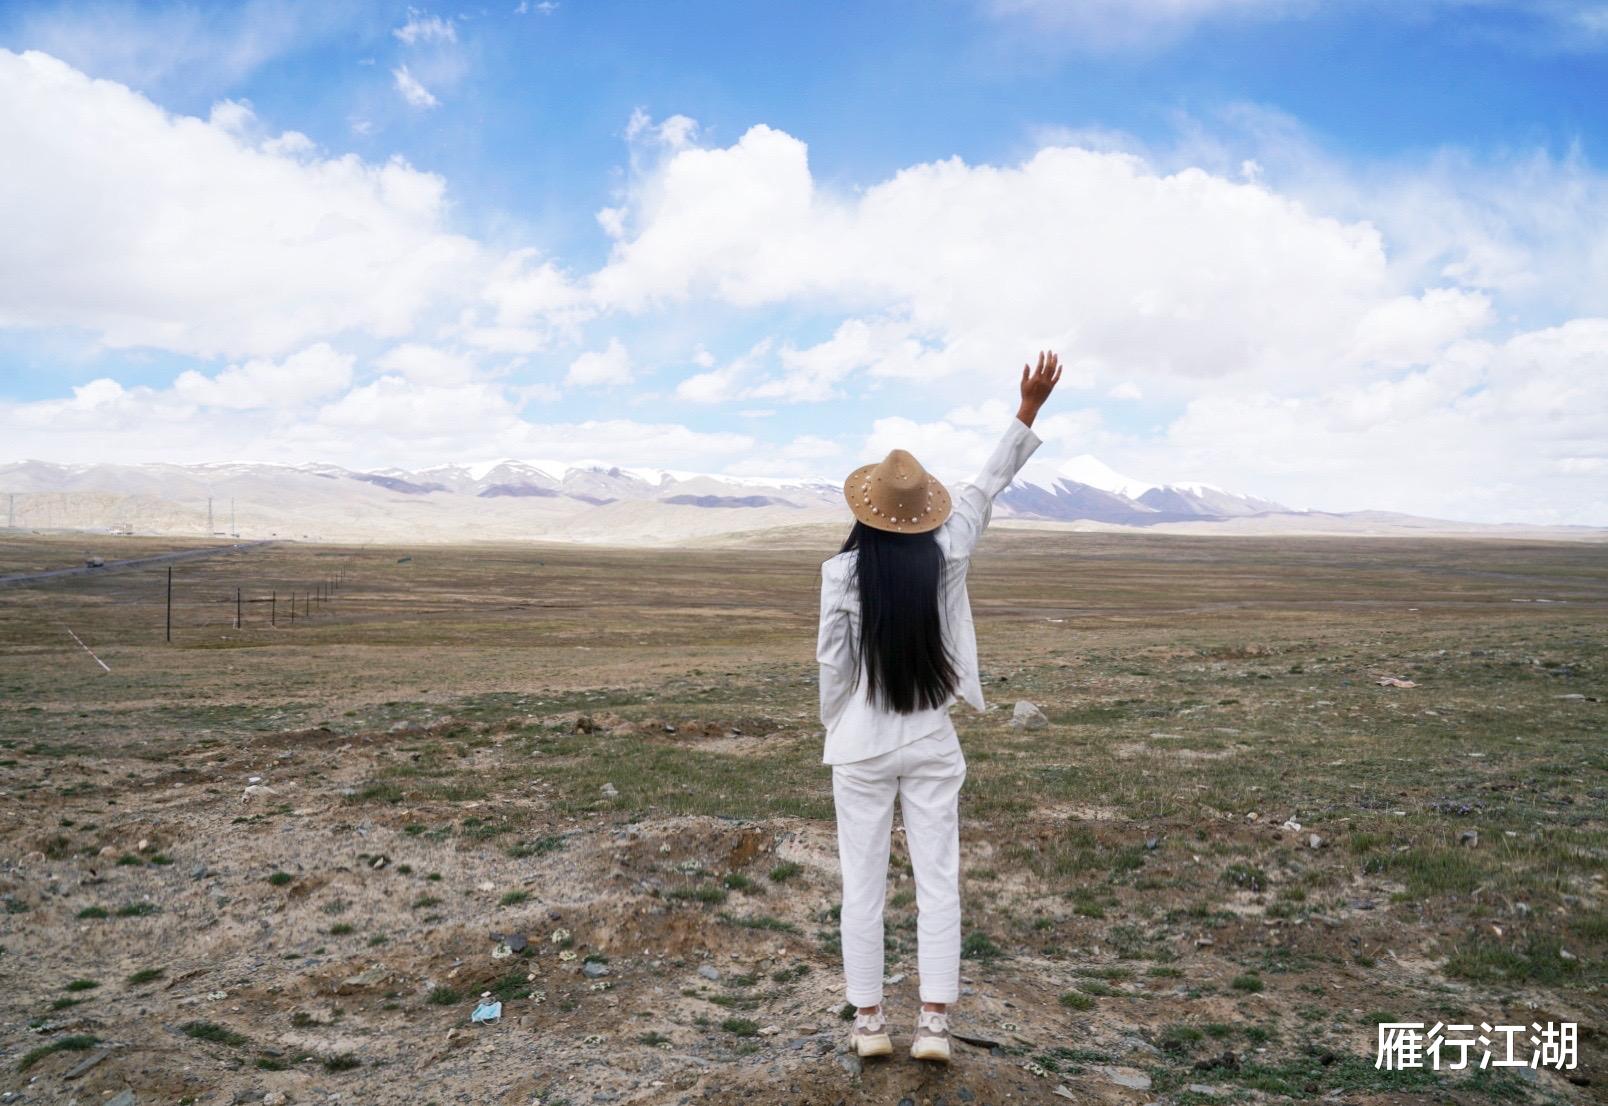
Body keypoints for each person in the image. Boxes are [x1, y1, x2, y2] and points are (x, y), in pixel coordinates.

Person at [817, 351, 1061, 1063]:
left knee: (861, 886)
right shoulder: (949, 548)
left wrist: (841, 722)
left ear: (866, 511)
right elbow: (989, 483)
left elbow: (832, 665)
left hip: (861, 741)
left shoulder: (841, 572)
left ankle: (868, 1023)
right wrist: (1027, 409)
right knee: (938, 882)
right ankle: (932, 1025)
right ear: (922, 510)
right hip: (930, 735)